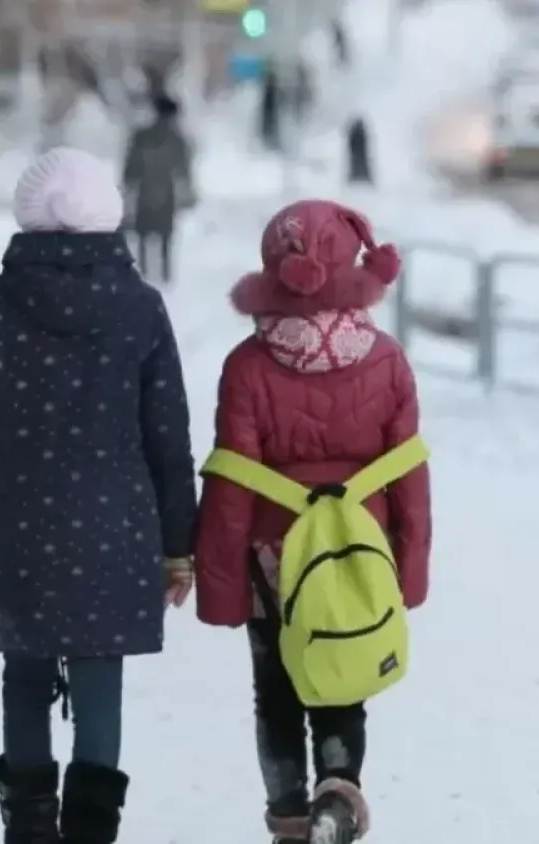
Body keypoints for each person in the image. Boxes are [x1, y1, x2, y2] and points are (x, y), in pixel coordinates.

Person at [0, 146, 198, 844]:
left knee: (23, 672)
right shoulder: (140, 309)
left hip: (14, 517)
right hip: (116, 525)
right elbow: (167, 434)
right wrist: (179, 545)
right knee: (98, 675)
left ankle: (27, 833)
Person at [191, 199, 434, 844]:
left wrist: (221, 585)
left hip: (275, 560)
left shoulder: (246, 367)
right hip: (358, 551)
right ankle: (338, 788)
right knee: (339, 678)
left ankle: (290, 821)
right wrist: (410, 568)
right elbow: (409, 473)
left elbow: (231, 483)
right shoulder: (386, 360)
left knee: (274, 688)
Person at [122, 94, 193, 285]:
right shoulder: (178, 140)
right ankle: (165, 273)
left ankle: (145, 272)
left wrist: (127, 193)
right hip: (166, 193)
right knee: (165, 236)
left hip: (145, 193)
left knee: (144, 235)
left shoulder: (141, 137)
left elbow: (130, 171)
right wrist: (188, 196)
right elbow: (184, 171)